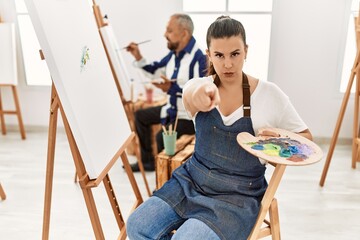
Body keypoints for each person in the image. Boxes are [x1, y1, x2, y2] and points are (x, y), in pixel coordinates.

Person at [126, 16, 313, 240]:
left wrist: (279, 139)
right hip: (190, 182)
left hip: (237, 196)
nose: (227, 64)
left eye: (235, 54)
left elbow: (306, 139)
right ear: (209, 55)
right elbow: (192, 94)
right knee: (137, 225)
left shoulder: (270, 95)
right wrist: (203, 97)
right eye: (219, 55)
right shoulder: (200, 86)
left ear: (246, 51)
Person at [126, 13, 207, 172]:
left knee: (160, 138)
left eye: (169, 31)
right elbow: (155, 69)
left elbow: (202, 93)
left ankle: (165, 176)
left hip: (187, 117)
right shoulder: (174, 54)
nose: (165, 35)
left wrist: (171, 89)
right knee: (140, 116)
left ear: (184, 33)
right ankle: (148, 162)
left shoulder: (200, 58)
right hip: (171, 108)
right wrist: (138, 56)